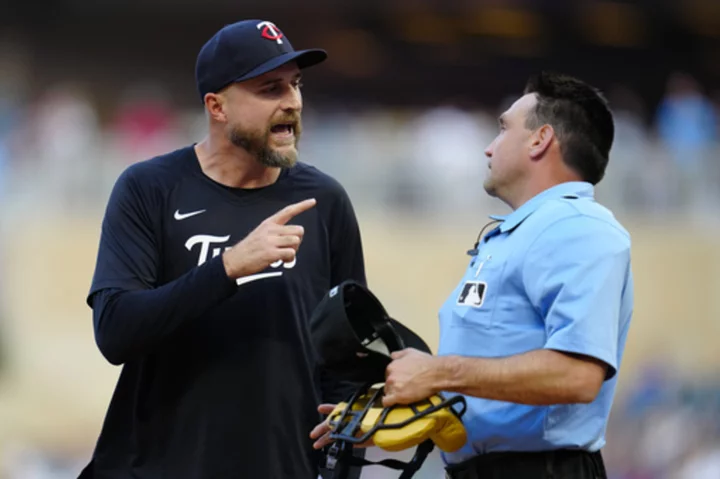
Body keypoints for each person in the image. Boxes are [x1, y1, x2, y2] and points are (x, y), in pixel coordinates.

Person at [80, 19, 366, 479]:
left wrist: (340, 469)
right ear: (217, 106)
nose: (292, 101)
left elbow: (349, 356)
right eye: (270, 88)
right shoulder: (149, 188)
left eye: (295, 85)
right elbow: (115, 331)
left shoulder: (324, 201)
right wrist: (228, 267)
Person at [312, 72, 633, 479]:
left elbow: (579, 375)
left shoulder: (577, 226)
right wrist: (419, 400)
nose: (488, 147)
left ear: (540, 139)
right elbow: (495, 378)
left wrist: (439, 372)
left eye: (503, 129)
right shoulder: (521, 232)